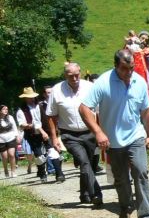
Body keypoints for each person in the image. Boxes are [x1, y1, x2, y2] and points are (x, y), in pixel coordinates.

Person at [79, 49, 149, 218]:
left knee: (141, 172)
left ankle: (146, 214)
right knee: (121, 178)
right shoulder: (103, 82)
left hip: (136, 136)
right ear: (116, 66)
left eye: (131, 68)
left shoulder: (139, 82)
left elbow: (146, 110)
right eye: (125, 69)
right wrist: (98, 132)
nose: (129, 72)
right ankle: (125, 207)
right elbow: (84, 109)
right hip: (113, 141)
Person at [47, 62, 103, 206]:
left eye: (77, 75)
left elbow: (98, 111)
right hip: (69, 135)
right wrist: (54, 137)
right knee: (84, 162)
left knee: (88, 164)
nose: (74, 78)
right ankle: (96, 194)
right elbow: (51, 115)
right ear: (65, 75)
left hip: (89, 132)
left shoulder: (90, 87)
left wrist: (100, 132)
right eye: (71, 76)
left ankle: (84, 194)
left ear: (81, 72)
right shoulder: (57, 90)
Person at [16, 87, 49, 183]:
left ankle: (49, 170)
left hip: (44, 131)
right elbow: (21, 124)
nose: (31, 99)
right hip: (32, 134)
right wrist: (28, 125)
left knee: (50, 151)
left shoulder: (39, 106)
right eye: (29, 97)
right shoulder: (21, 110)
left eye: (32, 97)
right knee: (38, 155)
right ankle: (42, 173)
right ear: (25, 98)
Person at [38, 85, 65, 182]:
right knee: (52, 152)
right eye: (48, 93)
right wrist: (42, 131)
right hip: (48, 132)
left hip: (61, 130)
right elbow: (37, 120)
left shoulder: (58, 102)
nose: (50, 94)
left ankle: (59, 171)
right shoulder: (40, 106)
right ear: (44, 94)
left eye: (51, 92)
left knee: (60, 153)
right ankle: (59, 174)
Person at [0, 105, 21, 178]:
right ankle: (6, 169)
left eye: (7, 109)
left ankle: (13, 171)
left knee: (11, 155)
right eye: (4, 109)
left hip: (11, 138)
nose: (6, 110)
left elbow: (15, 127)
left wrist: (17, 136)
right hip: (1, 140)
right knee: (4, 157)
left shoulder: (10, 117)